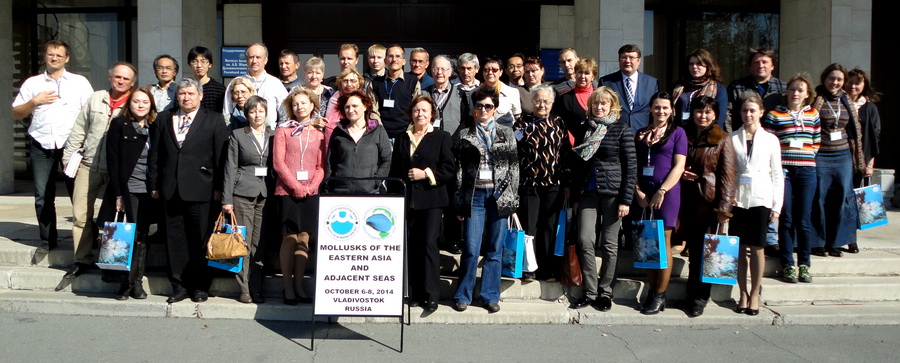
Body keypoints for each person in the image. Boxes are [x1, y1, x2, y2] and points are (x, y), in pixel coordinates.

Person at [148, 77, 229, 304]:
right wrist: (153, 184)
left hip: (202, 190)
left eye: (191, 93)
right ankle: (179, 285)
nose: (186, 97)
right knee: (174, 241)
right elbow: (156, 154)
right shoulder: (164, 119)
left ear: (200, 96)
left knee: (200, 240)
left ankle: (201, 286)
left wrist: (219, 188)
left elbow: (221, 158)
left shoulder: (213, 120)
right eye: (182, 93)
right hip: (171, 189)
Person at [11, 40, 93, 253]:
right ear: (45, 56)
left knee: (79, 194)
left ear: (67, 58)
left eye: (59, 55)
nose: (54, 58)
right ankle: (48, 240)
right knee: (42, 195)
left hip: (72, 147)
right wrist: (34, 102)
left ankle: (86, 239)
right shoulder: (33, 83)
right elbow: (17, 112)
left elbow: (91, 113)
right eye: (50, 54)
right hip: (42, 144)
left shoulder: (79, 82)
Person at [61, 62, 136, 279]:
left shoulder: (134, 101)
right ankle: (82, 259)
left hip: (118, 169)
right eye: (118, 77)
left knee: (115, 217)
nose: (121, 81)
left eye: (126, 79)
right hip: (89, 165)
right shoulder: (96, 98)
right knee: (81, 215)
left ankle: (114, 260)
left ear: (132, 82)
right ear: (110, 77)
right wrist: (69, 158)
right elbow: (79, 129)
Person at [452, 86, 519, 314]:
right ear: (474, 108)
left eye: (488, 106)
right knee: (471, 248)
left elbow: (514, 168)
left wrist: (511, 200)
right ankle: (463, 295)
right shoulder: (464, 134)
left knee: (494, 249)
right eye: (479, 106)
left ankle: (490, 296)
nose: (483, 109)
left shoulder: (506, 133)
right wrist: (460, 202)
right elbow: (459, 171)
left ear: (495, 108)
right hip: (475, 197)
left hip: (499, 197)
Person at [570, 86, 636, 311]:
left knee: (609, 244)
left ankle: (605, 292)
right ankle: (590, 291)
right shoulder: (585, 129)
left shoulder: (621, 130)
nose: (599, 107)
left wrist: (626, 200)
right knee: (585, 240)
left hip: (613, 194)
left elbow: (631, 168)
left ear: (612, 106)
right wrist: (576, 197)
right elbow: (579, 166)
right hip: (588, 193)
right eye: (595, 103)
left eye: (603, 103)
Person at [389, 95, 454, 312]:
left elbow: (448, 170)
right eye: (417, 110)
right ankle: (415, 293)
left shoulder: (442, 137)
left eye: (425, 110)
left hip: (432, 201)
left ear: (432, 114)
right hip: (408, 202)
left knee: (428, 246)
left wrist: (425, 174)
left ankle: (431, 295)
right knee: (412, 248)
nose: (420, 114)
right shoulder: (402, 138)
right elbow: (396, 170)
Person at [679, 96, 736, 318]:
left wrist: (724, 209)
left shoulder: (721, 138)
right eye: (699, 111)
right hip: (686, 200)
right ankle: (691, 294)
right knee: (693, 250)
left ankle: (699, 298)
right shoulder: (684, 134)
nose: (703, 116)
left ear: (715, 114)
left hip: (708, 203)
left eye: (708, 112)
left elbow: (728, 176)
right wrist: (681, 172)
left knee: (706, 253)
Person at [763, 75, 820, 284]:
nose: (795, 93)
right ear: (786, 92)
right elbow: (768, 142)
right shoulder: (775, 114)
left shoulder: (813, 114)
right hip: (783, 172)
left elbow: (816, 142)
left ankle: (804, 264)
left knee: (804, 220)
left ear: (807, 94)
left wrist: (805, 158)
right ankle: (788, 264)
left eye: (800, 90)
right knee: (785, 220)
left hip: (807, 171)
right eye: (792, 89)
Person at [634, 92, 687, 315]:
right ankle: (652, 288)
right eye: (657, 107)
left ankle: (660, 294)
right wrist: (637, 190)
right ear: (650, 109)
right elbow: (633, 164)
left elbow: (679, 166)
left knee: (663, 242)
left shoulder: (678, 133)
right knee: (647, 242)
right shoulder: (641, 133)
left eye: (665, 108)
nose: (661, 111)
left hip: (667, 193)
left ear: (671, 110)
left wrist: (662, 190)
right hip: (644, 194)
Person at [730, 96, 783, 315]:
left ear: (761, 112)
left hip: (761, 198)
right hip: (738, 199)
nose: (748, 115)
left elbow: (778, 175)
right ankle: (742, 292)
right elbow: (729, 172)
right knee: (740, 249)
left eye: (752, 110)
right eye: (744, 111)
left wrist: (777, 206)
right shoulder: (732, 138)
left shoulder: (771, 140)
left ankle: (755, 293)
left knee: (758, 247)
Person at [273, 88, 327, 305]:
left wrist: (312, 186)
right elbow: (278, 162)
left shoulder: (319, 133)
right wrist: (295, 186)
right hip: (287, 190)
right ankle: (287, 286)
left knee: (304, 237)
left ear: (312, 105)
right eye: (295, 104)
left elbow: (321, 165)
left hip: (311, 192)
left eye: (304, 103)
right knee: (290, 238)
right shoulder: (283, 130)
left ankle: (299, 285)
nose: (299, 107)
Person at [104, 86, 159, 300]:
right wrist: (118, 194)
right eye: (136, 101)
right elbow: (113, 161)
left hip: (149, 192)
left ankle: (137, 281)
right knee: (125, 236)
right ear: (129, 103)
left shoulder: (155, 127)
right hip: (127, 190)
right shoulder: (119, 124)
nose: (141, 105)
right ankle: (123, 284)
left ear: (151, 105)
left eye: (145, 102)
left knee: (142, 237)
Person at [514, 84, 570, 282]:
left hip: (553, 184)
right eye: (537, 100)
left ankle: (547, 269)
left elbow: (564, 154)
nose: (542, 104)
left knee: (549, 226)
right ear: (531, 101)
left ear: (552, 102)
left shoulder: (559, 123)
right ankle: (529, 267)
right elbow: (515, 154)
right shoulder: (521, 123)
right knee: (530, 227)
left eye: (546, 101)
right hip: (529, 184)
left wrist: (566, 182)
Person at [222, 95, 273, 304]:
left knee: (258, 243)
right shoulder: (237, 135)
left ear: (266, 113)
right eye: (252, 111)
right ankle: (243, 287)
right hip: (242, 192)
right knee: (242, 240)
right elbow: (230, 167)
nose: (257, 115)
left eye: (261, 111)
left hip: (265, 194)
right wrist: (227, 199)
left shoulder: (274, 134)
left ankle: (256, 286)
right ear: (246, 114)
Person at [811, 64, 865, 258]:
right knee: (819, 198)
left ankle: (836, 242)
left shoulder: (847, 100)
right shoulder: (815, 99)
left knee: (840, 199)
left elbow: (855, 130)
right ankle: (818, 242)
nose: (835, 83)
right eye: (831, 79)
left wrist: (861, 159)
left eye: (839, 80)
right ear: (824, 79)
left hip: (842, 155)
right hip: (820, 155)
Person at [843, 68, 882, 254]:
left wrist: (869, 164)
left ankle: (851, 239)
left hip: (860, 162)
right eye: (850, 82)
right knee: (838, 201)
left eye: (857, 82)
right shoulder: (840, 102)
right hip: (840, 158)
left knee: (854, 202)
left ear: (863, 85)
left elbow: (875, 137)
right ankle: (834, 238)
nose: (853, 86)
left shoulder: (870, 107)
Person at [325, 90, 392, 194]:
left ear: (365, 107)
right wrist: (328, 185)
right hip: (340, 191)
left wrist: (376, 181)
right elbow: (330, 161)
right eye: (347, 107)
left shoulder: (378, 130)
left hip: (369, 192)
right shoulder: (338, 132)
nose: (351, 110)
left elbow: (386, 159)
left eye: (355, 106)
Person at [222, 43, 288, 129]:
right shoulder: (235, 83)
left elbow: (286, 114)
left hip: (269, 135)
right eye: (251, 57)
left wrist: (278, 134)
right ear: (246, 60)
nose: (254, 61)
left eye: (258, 57)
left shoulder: (275, 83)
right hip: (240, 135)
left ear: (266, 60)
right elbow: (227, 112)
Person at [600, 44, 660, 132]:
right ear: (619, 60)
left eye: (632, 58)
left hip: (643, 135)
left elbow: (655, 109)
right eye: (624, 57)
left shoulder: (652, 83)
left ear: (638, 60)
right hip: (615, 135)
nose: (627, 61)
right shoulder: (606, 82)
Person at [726, 48, 787, 132]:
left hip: (774, 138)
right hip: (742, 137)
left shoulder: (783, 88)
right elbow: (728, 115)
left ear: (772, 66)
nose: (760, 65)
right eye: (756, 62)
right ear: (750, 67)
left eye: (765, 62)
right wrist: (730, 138)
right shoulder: (736, 87)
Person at [371, 44, 422, 140]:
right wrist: (381, 131)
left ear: (404, 61)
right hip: (382, 135)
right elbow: (373, 111)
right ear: (385, 61)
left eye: (398, 56)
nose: (394, 59)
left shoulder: (413, 82)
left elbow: (417, 107)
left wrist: (410, 130)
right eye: (390, 56)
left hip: (407, 134)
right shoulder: (376, 83)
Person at [672, 49, 728, 130]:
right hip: (680, 133)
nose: (694, 67)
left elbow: (720, 117)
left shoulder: (718, 89)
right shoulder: (678, 87)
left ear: (708, 65)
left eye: (699, 63)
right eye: (691, 64)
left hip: (704, 135)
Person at [552, 58, 597, 145]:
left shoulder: (600, 96)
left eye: (587, 73)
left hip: (597, 146)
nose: (582, 76)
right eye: (580, 72)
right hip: (572, 146)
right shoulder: (565, 97)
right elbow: (557, 122)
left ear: (593, 77)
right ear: (575, 74)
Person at [425, 55, 465, 135]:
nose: (439, 72)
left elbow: (464, 120)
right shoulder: (424, 93)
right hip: (429, 141)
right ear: (431, 71)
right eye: (436, 69)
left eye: (443, 69)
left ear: (450, 72)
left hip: (452, 142)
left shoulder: (460, 94)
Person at [480, 57, 521, 128]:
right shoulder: (475, 93)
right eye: (486, 70)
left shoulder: (512, 92)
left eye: (494, 70)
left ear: (501, 72)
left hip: (505, 135)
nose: (490, 73)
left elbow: (518, 118)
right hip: (481, 134)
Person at [187, 46, 225, 113]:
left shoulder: (219, 90)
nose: (199, 65)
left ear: (210, 64)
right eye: (194, 61)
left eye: (203, 61)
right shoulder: (185, 89)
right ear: (190, 64)